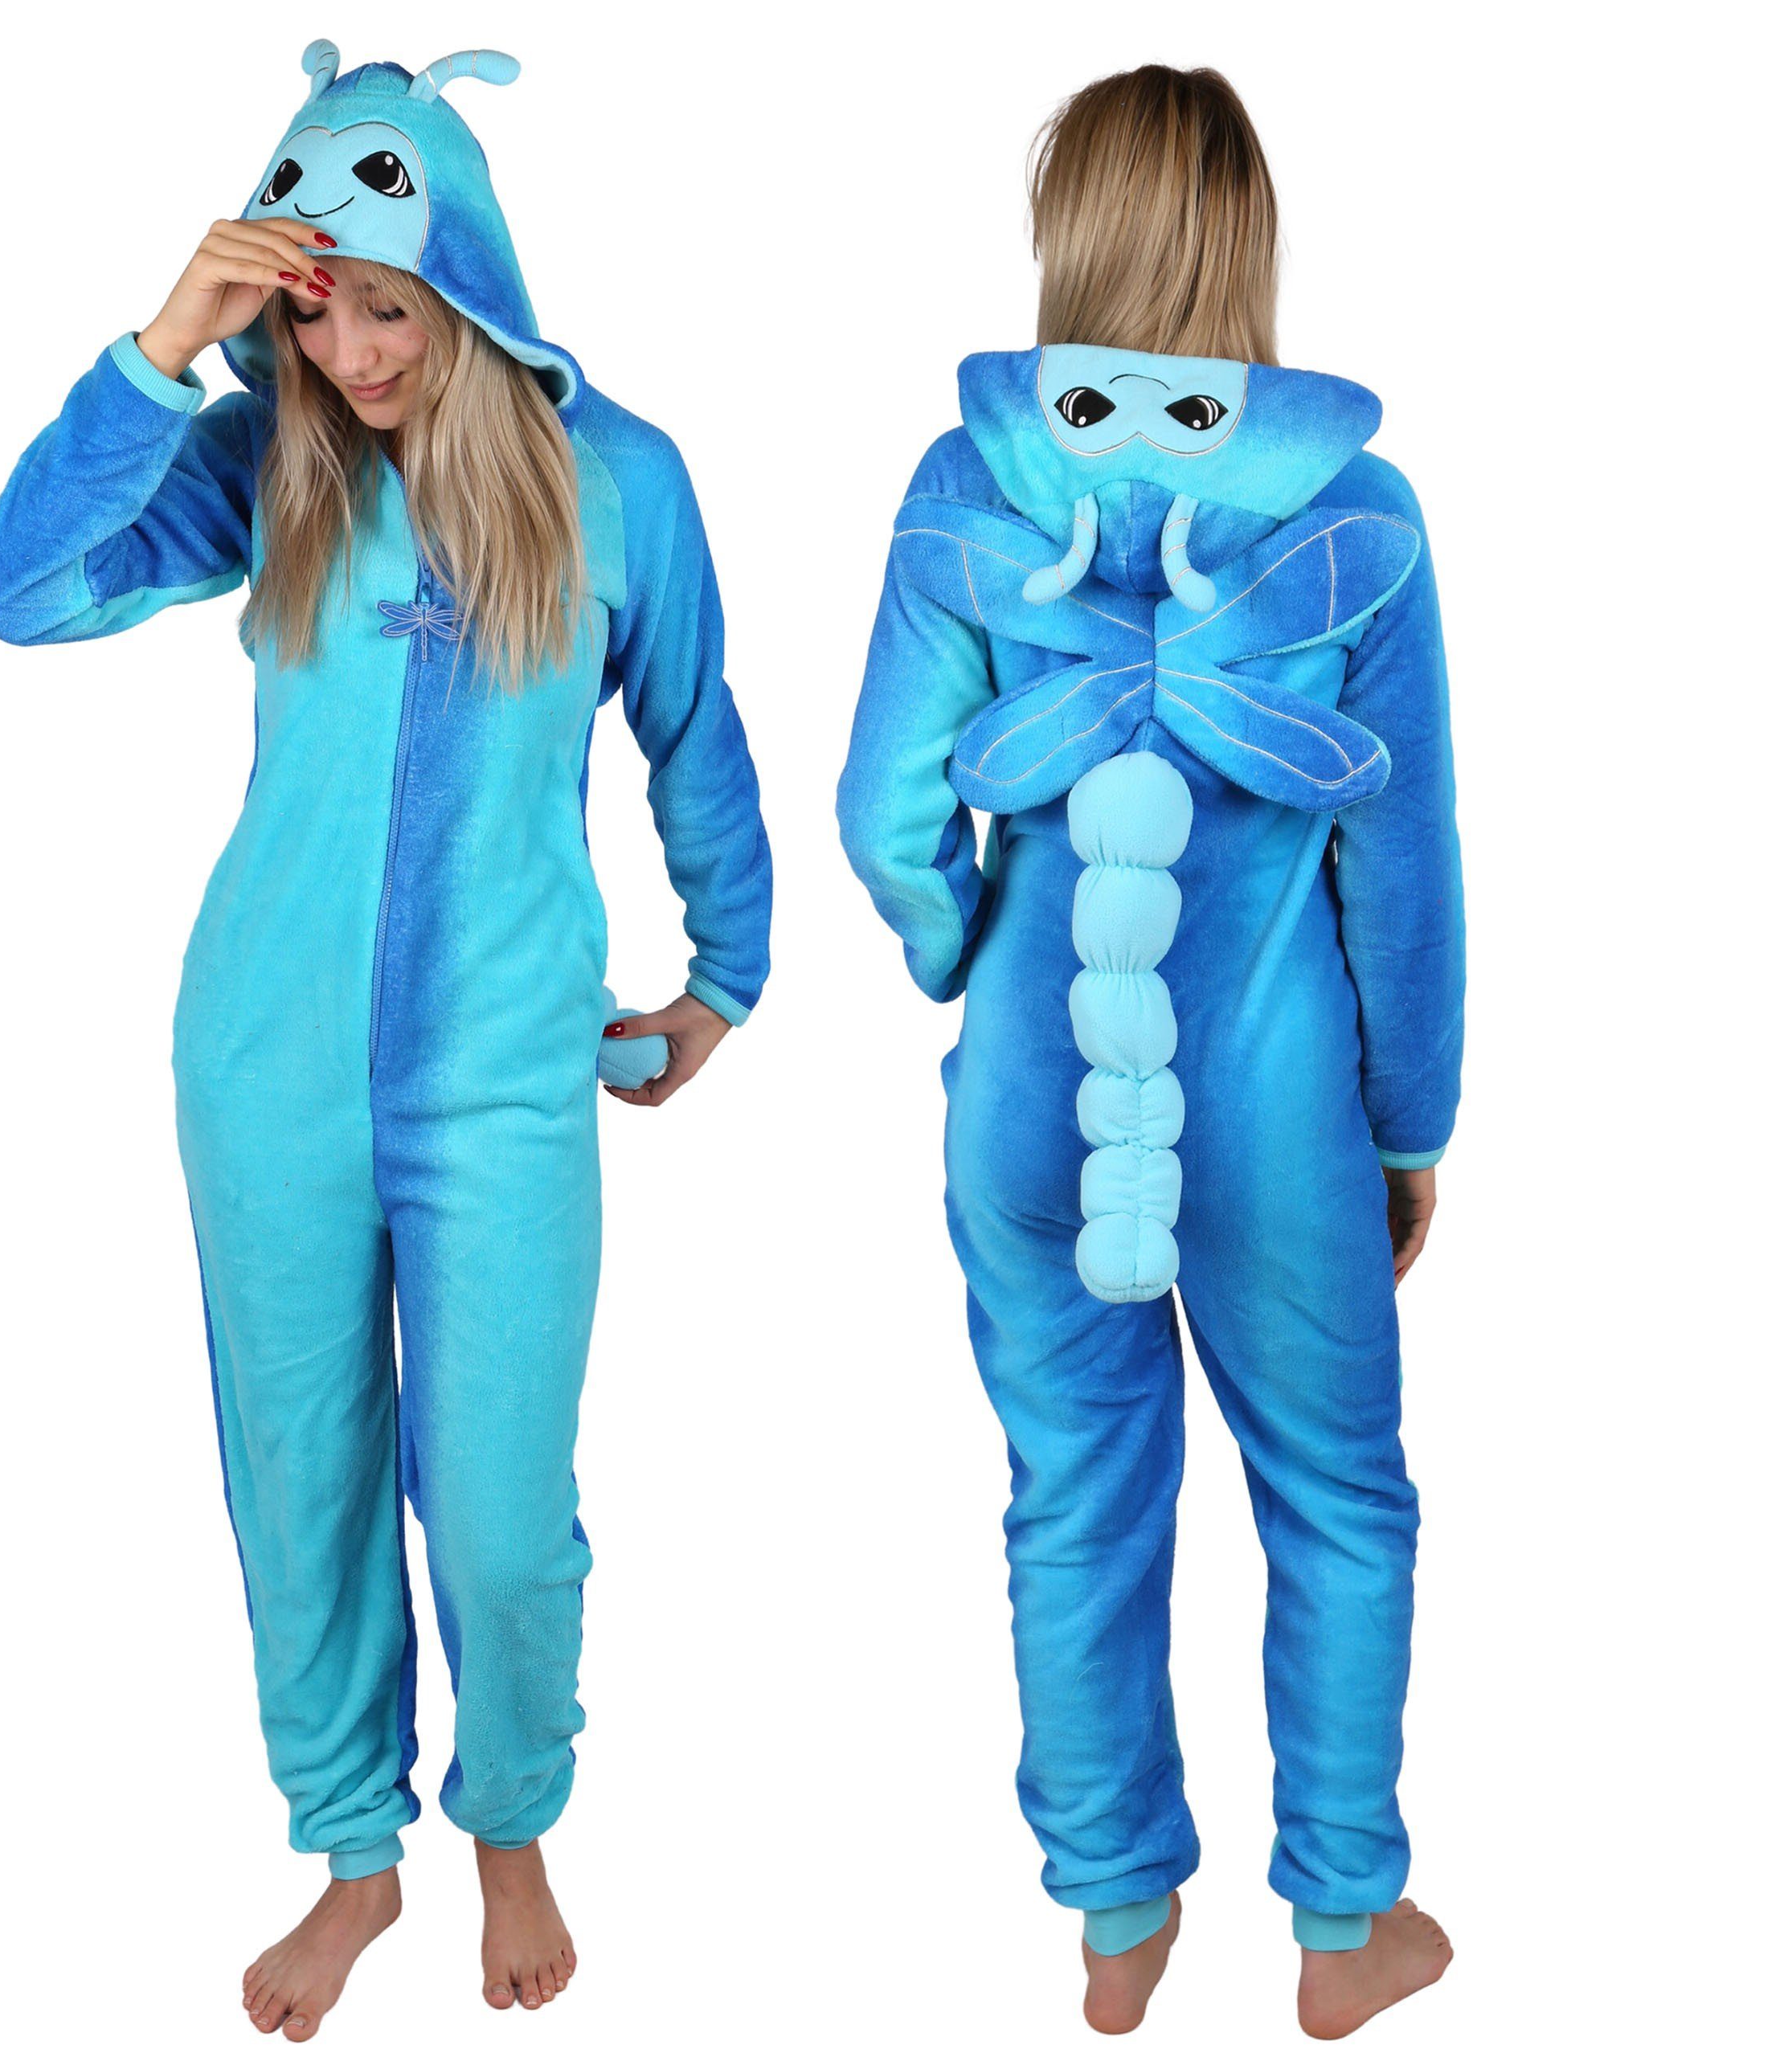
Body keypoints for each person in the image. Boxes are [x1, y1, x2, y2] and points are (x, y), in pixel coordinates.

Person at [0, 41, 770, 2039]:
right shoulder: (272, 459)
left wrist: (722, 976)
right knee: (300, 1482)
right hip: (268, 1070)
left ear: (468, 279)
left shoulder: (618, 479)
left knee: (495, 1509)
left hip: (505, 1082)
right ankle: (349, 1848)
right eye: (310, 314)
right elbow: (16, 591)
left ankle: (511, 1818)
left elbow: (693, 733)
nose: (351, 357)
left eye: (388, 310)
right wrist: (171, 341)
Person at [837, 64, 1461, 2039]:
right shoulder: (1350, 513)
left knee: (1074, 1494)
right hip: (1271, 1118)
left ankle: (1114, 1910)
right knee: (1335, 1494)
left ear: (1067, 236)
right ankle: (1342, 1925)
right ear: (1243, 240)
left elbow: (881, 811)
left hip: (1034, 1096)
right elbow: (1400, 869)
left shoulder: (973, 484)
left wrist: (964, 948)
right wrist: (1407, 1121)